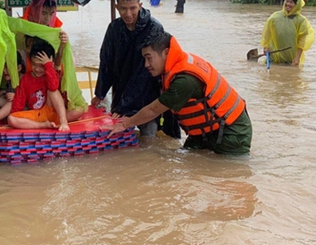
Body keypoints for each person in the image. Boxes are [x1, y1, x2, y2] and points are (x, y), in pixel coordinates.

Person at [104, 31, 252, 155]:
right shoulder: (174, 65)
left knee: (230, 172)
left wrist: (125, 124)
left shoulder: (184, 81)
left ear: (166, 52)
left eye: (149, 58)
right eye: (144, 59)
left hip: (232, 132)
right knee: (186, 161)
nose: (146, 65)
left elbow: (153, 110)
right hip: (205, 132)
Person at [91, 0, 178, 137]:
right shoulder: (114, 28)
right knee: (117, 136)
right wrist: (100, 93)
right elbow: (106, 62)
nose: (128, 13)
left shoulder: (153, 28)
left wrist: (125, 107)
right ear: (117, 7)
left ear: (140, 5)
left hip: (147, 95)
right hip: (121, 91)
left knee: (148, 140)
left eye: (133, 8)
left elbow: (144, 72)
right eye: (123, 9)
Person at [8, 41, 77, 131]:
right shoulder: (26, 78)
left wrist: (48, 66)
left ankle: (63, 121)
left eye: (41, 66)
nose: (37, 69)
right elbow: (19, 102)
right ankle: (43, 125)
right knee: (11, 119)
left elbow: (53, 87)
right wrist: (17, 117)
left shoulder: (51, 74)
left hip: (54, 112)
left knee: (77, 109)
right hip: (38, 115)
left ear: (50, 64)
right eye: (34, 65)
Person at [261, 0, 315, 66]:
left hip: (291, 60)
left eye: (291, 2)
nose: (288, 4)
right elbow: (267, 33)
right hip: (273, 58)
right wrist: (265, 47)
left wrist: (297, 58)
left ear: (297, 5)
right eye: (287, 1)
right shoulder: (275, 17)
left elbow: (303, 40)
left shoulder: (301, 20)